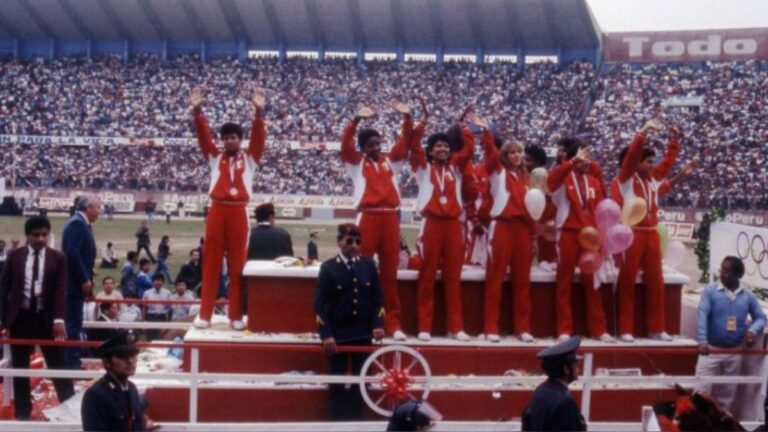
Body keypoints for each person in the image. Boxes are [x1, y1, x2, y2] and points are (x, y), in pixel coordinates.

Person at [190, 86, 266, 331]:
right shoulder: (214, 157)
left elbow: (259, 140)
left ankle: (235, 315)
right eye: (226, 137)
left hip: (238, 211)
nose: (230, 141)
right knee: (210, 262)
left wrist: (258, 113)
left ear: (240, 140)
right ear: (222, 140)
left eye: (234, 137)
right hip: (217, 210)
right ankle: (205, 314)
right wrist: (198, 112)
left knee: (237, 264)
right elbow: (203, 137)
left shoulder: (251, 158)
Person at [339, 104, 412, 341]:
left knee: (390, 273)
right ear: (363, 148)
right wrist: (355, 120)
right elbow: (345, 145)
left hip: (390, 217)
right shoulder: (356, 164)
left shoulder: (391, 161)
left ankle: (394, 323)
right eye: (370, 145)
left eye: (378, 143)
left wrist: (407, 117)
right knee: (361, 270)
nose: (375, 147)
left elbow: (405, 142)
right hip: (367, 217)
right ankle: (362, 321)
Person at [408, 101, 473, 342]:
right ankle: (424, 326)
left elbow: (468, 150)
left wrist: (463, 126)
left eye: (446, 145)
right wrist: (423, 121)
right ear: (431, 151)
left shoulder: (455, 169)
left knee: (453, 277)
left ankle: (456, 327)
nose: (443, 149)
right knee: (427, 276)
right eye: (438, 146)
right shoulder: (423, 168)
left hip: (453, 225)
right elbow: (414, 145)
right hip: (432, 224)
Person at [0, 216, 75, 420]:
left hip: (47, 320)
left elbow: (61, 290)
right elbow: (4, 288)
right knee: (20, 369)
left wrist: (59, 319)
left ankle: (70, 410)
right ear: (28, 235)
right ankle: (23, 413)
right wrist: (3, 320)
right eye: (36, 235)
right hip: (20, 318)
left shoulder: (58, 258)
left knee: (59, 365)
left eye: (44, 234)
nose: (41, 239)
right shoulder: (14, 256)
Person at [613, 120, 681, 342]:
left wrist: (674, 142)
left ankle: (656, 328)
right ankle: (625, 329)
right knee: (627, 282)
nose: (653, 165)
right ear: (636, 163)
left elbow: (668, 164)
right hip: (633, 233)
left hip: (651, 233)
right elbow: (632, 157)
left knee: (656, 282)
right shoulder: (625, 180)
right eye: (649, 161)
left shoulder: (652, 180)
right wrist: (642, 133)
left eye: (653, 161)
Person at [314, 223, 385, 420]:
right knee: (336, 381)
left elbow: (378, 300)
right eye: (349, 241)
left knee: (361, 382)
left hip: (363, 335)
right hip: (338, 337)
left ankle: (356, 421)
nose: (354, 246)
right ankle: (336, 422)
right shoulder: (328, 268)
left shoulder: (368, 265)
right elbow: (320, 306)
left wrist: (378, 325)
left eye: (358, 242)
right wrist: (326, 335)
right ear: (339, 242)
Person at [547, 144, 613, 343]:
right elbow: (551, 181)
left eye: (588, 157)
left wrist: (602, 240)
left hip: (590, 236)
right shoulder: (563, 179)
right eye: (582, 157)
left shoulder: (594, 182)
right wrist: (572, 161)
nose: (587, 161)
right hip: (568, 233)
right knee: (564, 282)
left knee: (593, 283)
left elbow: (601, 211)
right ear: (573, 158)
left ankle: (598, 329)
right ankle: (564, 329)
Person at [478, 117, 535, 343]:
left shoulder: (526, 178)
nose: (516, 156)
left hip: (521, 228)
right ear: (505, 155)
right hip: (501, 226)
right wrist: (486, 132)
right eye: (512, 152)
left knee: (523, 279)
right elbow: (490, 154)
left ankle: (523, 327)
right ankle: (491, 327)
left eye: (519, 152)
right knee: (495, 278)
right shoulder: (497, 172)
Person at [695, 256, 766, 411]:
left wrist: (752, 331)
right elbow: (702, 315)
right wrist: (702, 340)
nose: (722, 273)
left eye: (727, 271)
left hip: (734, 352)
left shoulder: (748, 296)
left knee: (727, 394)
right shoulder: (710, 291)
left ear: (737, 274)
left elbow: (761, 318)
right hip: (710, 350)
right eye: (722, 269)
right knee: (701, 391)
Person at [61, 194, 99, 369]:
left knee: (75, 322)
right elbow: (72, 253)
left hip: (76, 283)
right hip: (73, 284)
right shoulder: (77, 224)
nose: (99, 211)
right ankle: (70, 362)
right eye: (97, 207)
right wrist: (84, 279)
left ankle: (72, 360)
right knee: (72, 323)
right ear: (88, 207)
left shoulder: (82, 223)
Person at [81, 330, 146, 431]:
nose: (130, 361)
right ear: (107, 362)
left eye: (133, 355)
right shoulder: (95, 395)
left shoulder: (132, 388)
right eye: (122, 356)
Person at [522, 336, 586, 432]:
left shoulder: (541, 390)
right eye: (575, 364)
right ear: (566, 369)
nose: (578, 368)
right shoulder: (564, 402)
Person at [142, 274, 171, 340]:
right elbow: (144, 308)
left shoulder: (167, 293)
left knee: (161, 337)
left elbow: (169, 309)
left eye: (160, 281)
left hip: (162, 317)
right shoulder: (147, 293)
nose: (158, 282)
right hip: (150, 316)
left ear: (163, 282)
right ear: (152, 282)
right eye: (156, 280)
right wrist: (143, 321)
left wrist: (169, 322)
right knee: (150, 338)